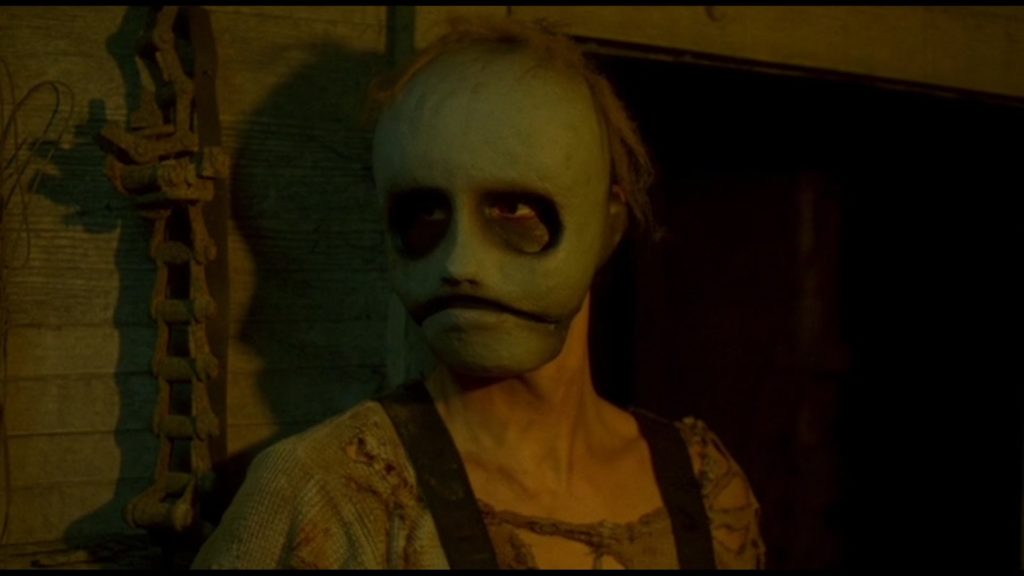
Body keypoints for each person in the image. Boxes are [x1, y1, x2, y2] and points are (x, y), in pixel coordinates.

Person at [192, 17, 764, 570]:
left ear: (607, 226)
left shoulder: (702, 486)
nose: (459, 264)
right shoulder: (324, 493)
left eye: (511, 208)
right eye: (425, 214)